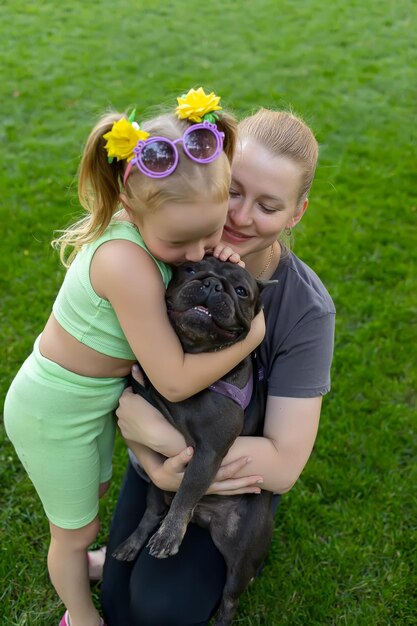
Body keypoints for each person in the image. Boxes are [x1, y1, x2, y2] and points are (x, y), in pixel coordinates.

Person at [3, 88, 265, 626]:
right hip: (56, 411)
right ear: (129, 204)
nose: (197, 256)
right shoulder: (127, 264)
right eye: (182, 244)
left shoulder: (157, 231)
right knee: (73, 534)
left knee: (89, 506)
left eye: (209, 234)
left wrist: (212, 257)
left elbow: (192, 257)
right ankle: (79, 616)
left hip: (91, 402)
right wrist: (249, 337)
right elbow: (171, 382)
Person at [100, 107, 336, 626]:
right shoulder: (163, 246)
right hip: (159, 464)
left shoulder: (305, 309)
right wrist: (146, 451)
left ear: (296, 214)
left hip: (230, 483)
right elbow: (111, 373)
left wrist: (165, 455)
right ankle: (116, 562)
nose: (242, 216)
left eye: (269, 205)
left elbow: (283, 464)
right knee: (118, 604)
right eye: (234, 190)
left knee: (156, 612)